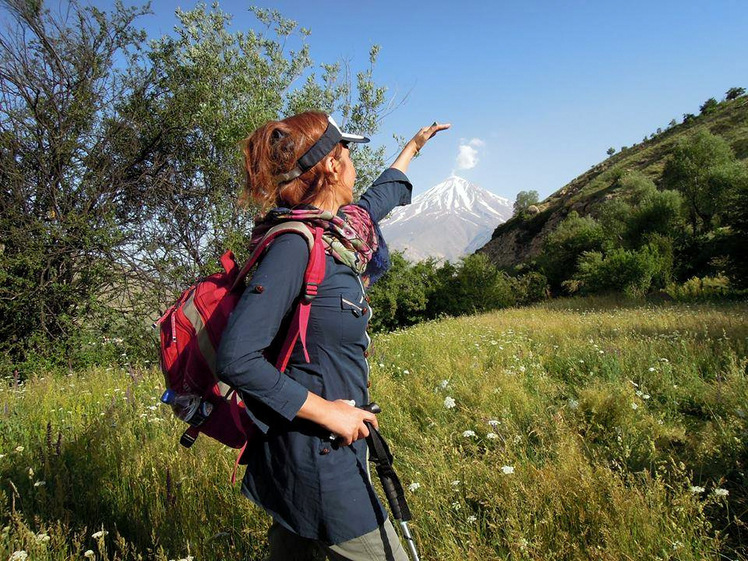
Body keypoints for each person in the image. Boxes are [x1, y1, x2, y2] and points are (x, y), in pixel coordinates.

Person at [216, 111, 449, 561]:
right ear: (332, 166)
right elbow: (237, 357)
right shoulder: (295, 244)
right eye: (349, 154)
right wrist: (330, 413)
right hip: (317, 455)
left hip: (313, 454)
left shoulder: (340, 233)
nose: (355, 166)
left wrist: (413, 148)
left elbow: (378, 198)